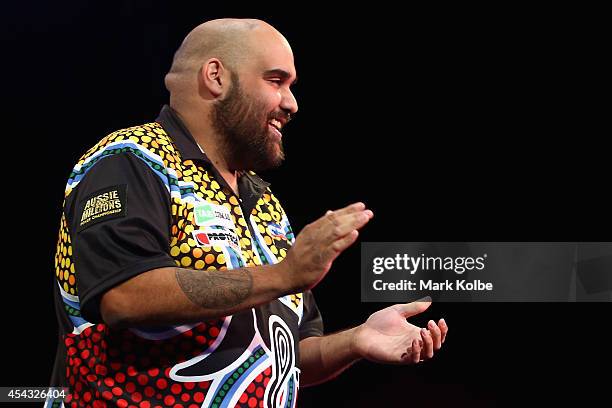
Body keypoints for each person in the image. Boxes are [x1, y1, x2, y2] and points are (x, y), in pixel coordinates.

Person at [48, 18, 448, 408]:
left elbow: (286, 357)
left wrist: (358, 340)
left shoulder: (262, 200)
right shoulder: (132, 160)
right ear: (216, 77)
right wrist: (284, 275)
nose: (291, 103)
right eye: (276, 81)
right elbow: (125, 296)